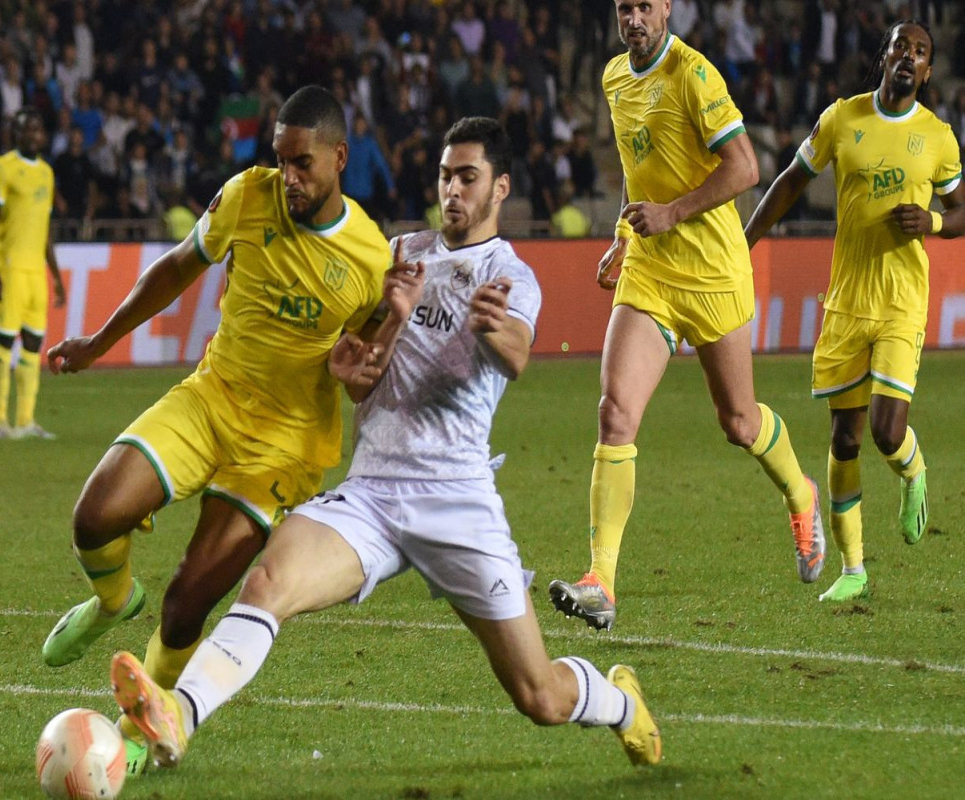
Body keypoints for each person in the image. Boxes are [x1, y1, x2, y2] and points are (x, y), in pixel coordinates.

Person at [108, 117, 662, 773]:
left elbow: (516, 354)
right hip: (371, 494)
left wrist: (492, 329)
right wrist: (386, 325)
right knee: (267, 580)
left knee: (537, 694)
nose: (452, 189)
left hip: (456, 502)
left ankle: (622, 704)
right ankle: (180, 715)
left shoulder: (508, 273)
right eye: (444, 175)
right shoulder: (397, 256)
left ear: (500, 187)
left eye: (468, 177)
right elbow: (356, 372)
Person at [39, 86, 392, 770]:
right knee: (93, 518)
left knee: (186, 601)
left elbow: (371, 370)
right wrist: (100, 341)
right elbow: (177, 267)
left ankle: (138, 737)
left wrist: (360, 374)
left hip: (281, 445)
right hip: (210, 397)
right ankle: (113, 599)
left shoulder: (370, 260)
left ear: (339, 158)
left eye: (303, 163)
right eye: (281, 160)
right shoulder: (245, 196)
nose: (288, 177)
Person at [548, 0, 824, 632]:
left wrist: (672, 212)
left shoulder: (695, 76)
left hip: (713, 271)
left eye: (645, 6)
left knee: (738, 420)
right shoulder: (615, 78)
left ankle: (800, 493)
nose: (633, 18)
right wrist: (624, 233)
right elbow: (632, 168)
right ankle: (602, 581)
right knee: (615, 411)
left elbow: (746, 168)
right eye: (624, 8)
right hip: (650, 270)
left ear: (667, 8)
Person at [743, 21, 961, 602]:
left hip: (901, 300)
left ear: (928, 70)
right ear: (884, 57)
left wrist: (934, 222)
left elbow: (963, 210)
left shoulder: (938, 137)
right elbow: (791, 182)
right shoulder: (842, 119)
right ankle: (854, 568)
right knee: (844, 440)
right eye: (901, 47)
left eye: (920, 52)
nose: (909, 57)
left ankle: (913, 472)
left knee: (888, 432)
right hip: (846, 302)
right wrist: (744, 243)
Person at [0, 107, 67, 440]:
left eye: (37, 129)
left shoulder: (46, 173)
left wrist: (56, 275)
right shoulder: (3, 168)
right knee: (5, 340)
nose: (33, 135)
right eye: (26, 129)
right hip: (11, 268)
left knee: (33, 344)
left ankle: (26, 421)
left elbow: (45, 230)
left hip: (36, 272)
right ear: (16, 135)